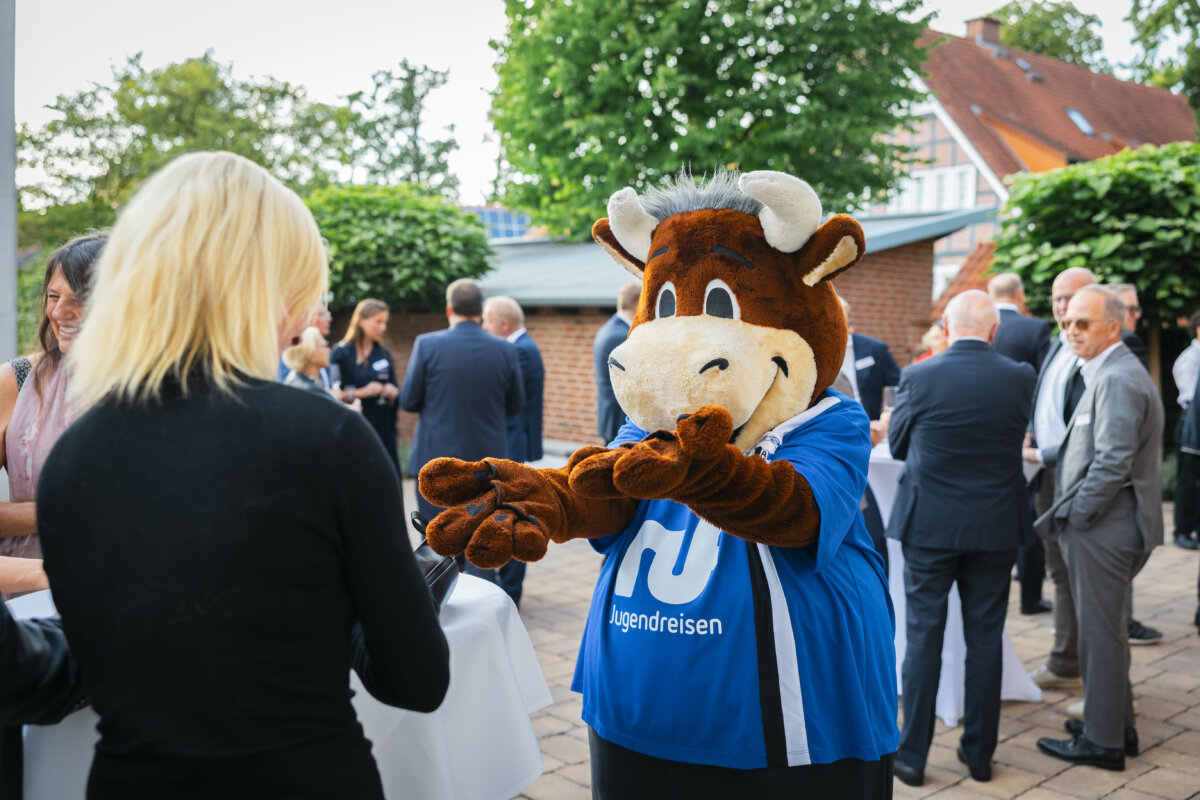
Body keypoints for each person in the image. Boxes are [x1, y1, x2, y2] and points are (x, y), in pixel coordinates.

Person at [37, 151, 449, 800]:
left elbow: (94, 655)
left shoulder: (71, 458)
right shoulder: (328, 440)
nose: (304, 317)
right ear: (266, 288)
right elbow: (415, 680)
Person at [885, 291, 1035, 786]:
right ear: (994, 330)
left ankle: (912, 757)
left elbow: (899, 445)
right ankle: (980, 754)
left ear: (946, 328)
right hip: (995, 524)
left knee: (922, 638)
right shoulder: (1021, 377)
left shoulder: (919, 375)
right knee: (985, 638)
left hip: (930, 524)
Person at [1033, 286, 1163, 771]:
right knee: (1105, 631)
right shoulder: (1109, 371)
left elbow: (1112, 461)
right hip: (1106, 523)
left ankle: (1103, 742)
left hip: (1106, 526)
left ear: (1114, 326)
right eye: (1068, 322)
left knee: (1100, 636)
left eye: (1082, 323)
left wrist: (1077, 515)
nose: (1071, 330)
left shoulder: (1117, 377)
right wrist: (1041, 455)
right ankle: (1114, 726)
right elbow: (1087, 445)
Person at [0, 233, 106, 580]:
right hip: (28, 590)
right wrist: (58, 511)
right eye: (53, 296)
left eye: (80, 298)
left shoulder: (163, 388)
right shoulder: (16, 381)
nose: (59, 312)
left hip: (135, 589)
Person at [401, 278, 524, 526]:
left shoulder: (427, 345)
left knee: (438, 535)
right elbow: (516, 404)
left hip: (437, 462)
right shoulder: (506, 349)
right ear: (480, 312)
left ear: (449, 309)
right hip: (487, 463)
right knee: (484, 535)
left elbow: (409, 401)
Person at [988, 272, 1054, 616]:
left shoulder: (978, 324)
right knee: (1028, 512)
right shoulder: (1035, 328)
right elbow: (1045, 385)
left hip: (981, 436)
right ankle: (1030, 598)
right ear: (1020, 295)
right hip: (1023, 433)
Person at [481, 296, 544, 607]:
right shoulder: (522, 346)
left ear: (503, 324)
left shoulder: (518, 350)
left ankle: (509, 589)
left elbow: (509, 401)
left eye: (487, 321)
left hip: (512, 441)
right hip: (515, 439)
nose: (484, 327)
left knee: (509, 514)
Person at [330, 299, 401, 472]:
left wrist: (392, 393)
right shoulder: (340, 353)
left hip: (382, 429)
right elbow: (333, 393)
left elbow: (395, 389)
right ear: (361, 320)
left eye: (385, 322)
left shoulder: (383, 354)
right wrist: (362, 392)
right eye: (378, 322)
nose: (383, 327)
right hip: (355, 426)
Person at [594, 282, 640, 444]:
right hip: (618, 416)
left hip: (610, 412)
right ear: (638, 304)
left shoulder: (610, 328)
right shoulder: (621, 335)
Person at [1171, 311, 1200, 550]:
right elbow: (1190, 396)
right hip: (1189, 423)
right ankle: (1182, 530)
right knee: (1187, 480)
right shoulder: (1189, 359)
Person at [283, 326, 347, 406]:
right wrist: (353, 409)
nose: (329, 350)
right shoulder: (309, 390)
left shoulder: (299, 380)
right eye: (324, 346)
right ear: (311, 354)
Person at [277, 304, 333, 386]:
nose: (329, 319)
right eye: (321, 314)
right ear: (306, 319)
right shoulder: (292, 349)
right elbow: (287, 388)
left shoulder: (323, 356)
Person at [1112, 283, 1150, 369]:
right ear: (1112, 310)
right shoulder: (1129, 341)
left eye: (1137, 309)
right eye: (1131, 309)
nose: (1137, 315)